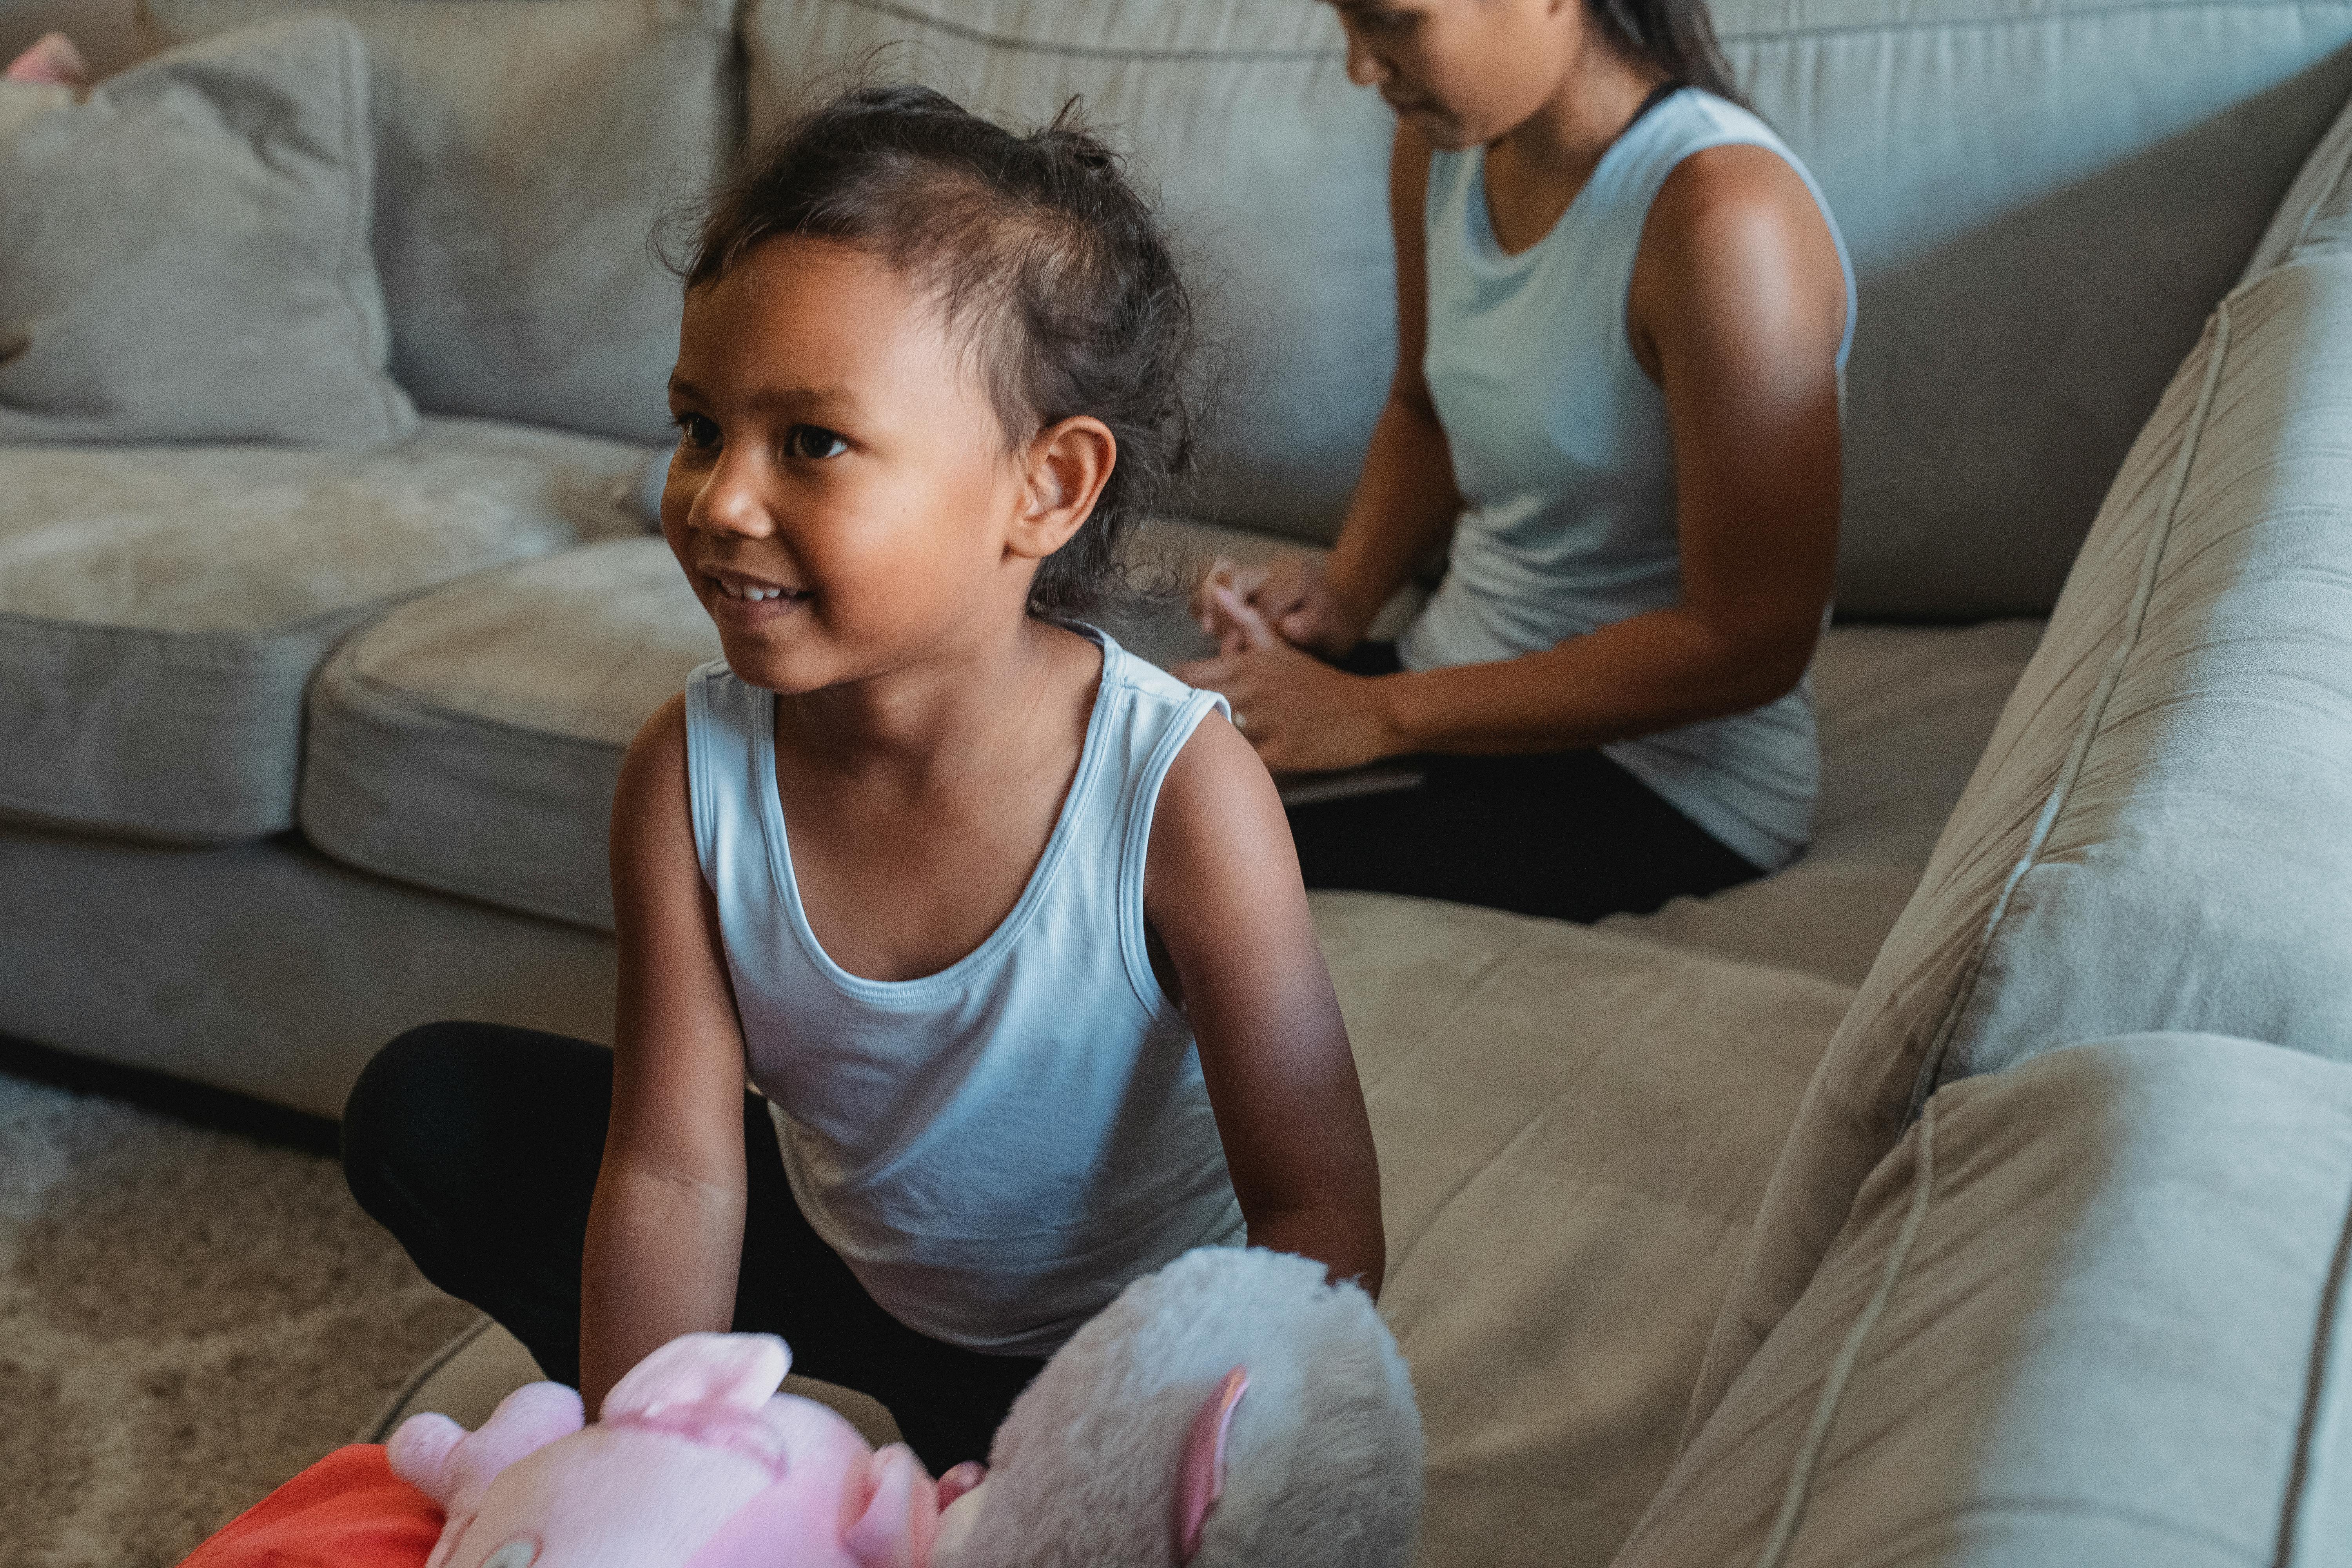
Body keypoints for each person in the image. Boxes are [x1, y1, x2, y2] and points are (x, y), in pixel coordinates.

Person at [341, 85, 1384, 1475]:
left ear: (1047, 488)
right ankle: (766, 1445)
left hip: (1114, 1366)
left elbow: (1321, 1222)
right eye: (700, 427)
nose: (718, 501)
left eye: (812, 443)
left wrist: (1168, 1461)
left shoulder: (1176, 788)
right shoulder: (689, 774)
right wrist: (643, 1472)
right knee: (427, 1112)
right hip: (866, 1288)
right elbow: (678, 1166)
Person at [1178, 0, 1855, 924]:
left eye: (1393, 22)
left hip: (1659, 781)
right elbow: (1424, 412)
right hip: (1450, 680)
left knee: (1169, 885)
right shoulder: (1441, 154)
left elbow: (1751, 640)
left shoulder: (1722, 221)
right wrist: (1339, 601)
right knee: (1096, 763)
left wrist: (1377, 714)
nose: (1360, 69)